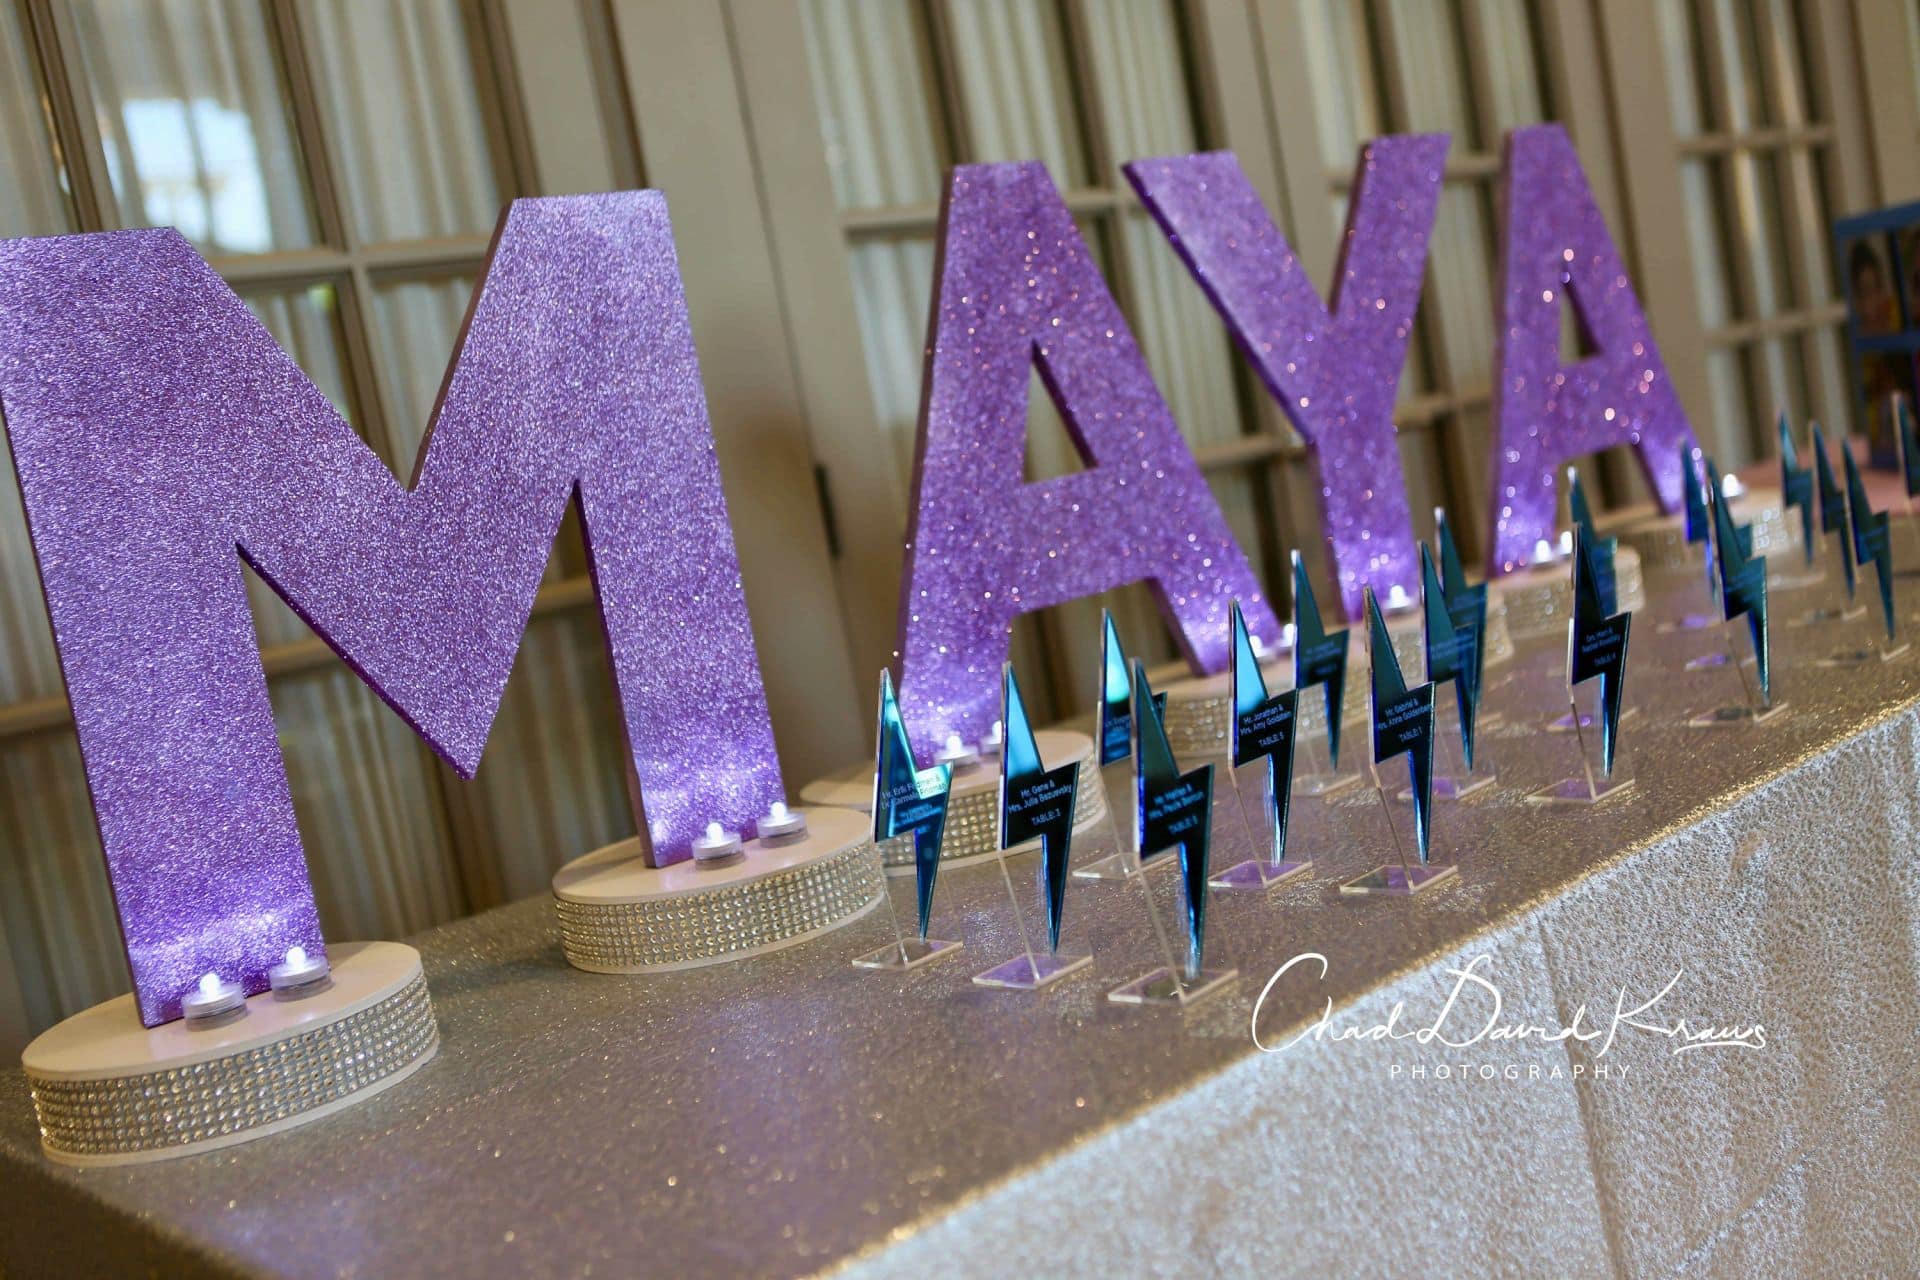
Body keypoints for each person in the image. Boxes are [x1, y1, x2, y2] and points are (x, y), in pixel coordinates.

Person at [1850, 238, 1900, 336]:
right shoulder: (1856, 331)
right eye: (1866, 292)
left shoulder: (1895, 312)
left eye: (1878, 286)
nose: (1876, 299)